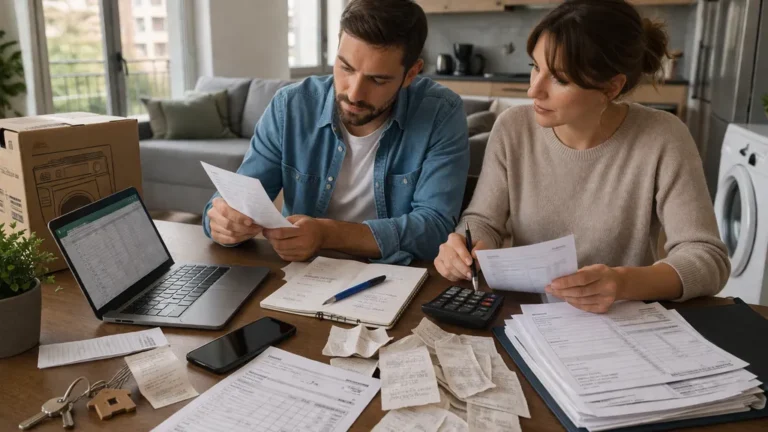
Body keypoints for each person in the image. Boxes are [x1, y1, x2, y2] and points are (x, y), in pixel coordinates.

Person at [435, 0, 730, 313]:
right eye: (535, 67)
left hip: (623, 320)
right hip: (527, 317)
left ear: (611, 87)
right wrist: (464, 247)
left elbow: (707, 258)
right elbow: (483, 221)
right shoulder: (513, 127)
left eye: (560, 79)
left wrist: (623, 283)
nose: (533, 90)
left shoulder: (664, 136)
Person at [203, 0, 469, 264]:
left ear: (411, 74)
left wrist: (327, 234)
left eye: (377, 79)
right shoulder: (290, 107)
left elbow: (434, 228)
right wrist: (223, 223)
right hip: (301, 273)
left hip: (395, 274)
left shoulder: (441, 113)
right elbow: (239, 197)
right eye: (346, 68)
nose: (354, 93)